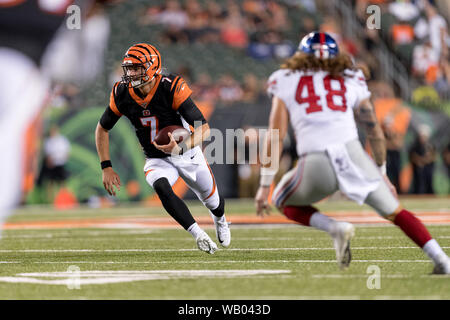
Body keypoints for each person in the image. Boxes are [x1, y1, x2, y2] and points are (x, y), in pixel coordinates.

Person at [254, 32, 450, 274]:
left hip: (316, 162)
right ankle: (442, 259)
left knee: (280, 199)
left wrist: (264, 185)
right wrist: (381, 173)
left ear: (301, 55)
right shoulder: (351, 77)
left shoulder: (285, 78)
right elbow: (374, 130)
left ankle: (334, 227)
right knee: (396, 212)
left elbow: (275, 134)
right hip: (354, 155)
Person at [95, 43, 230, 254]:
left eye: (136, 68)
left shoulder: (170, 86)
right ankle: (198, 234)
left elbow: (204, 129)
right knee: (161, 187)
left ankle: (220, 219)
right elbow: (102, 128)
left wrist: (181, 146)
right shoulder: (122, 93)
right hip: (156, 158)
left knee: (214, 202)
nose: (131, 73)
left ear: (151, 66)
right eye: (129, 68)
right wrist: (106, 166)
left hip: (187, 153)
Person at [37, 125, 71, 201]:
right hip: (52, 165)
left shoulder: (62, 140)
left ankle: (64, 199)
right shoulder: (48, 141)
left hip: (60, 164)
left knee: (62, 183)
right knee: (51, 183)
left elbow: (67, 153)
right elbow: (47, 155)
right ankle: (51, 200)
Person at [409, 124, 436, 194]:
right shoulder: (415, 146)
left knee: (428, 181)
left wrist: (424, 161)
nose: (422, 138)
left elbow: (432, 157)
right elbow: (413, 156)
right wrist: (420, 161)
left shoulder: (431, 145)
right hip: (418, 168)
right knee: (418, 183)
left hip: (428, 167)